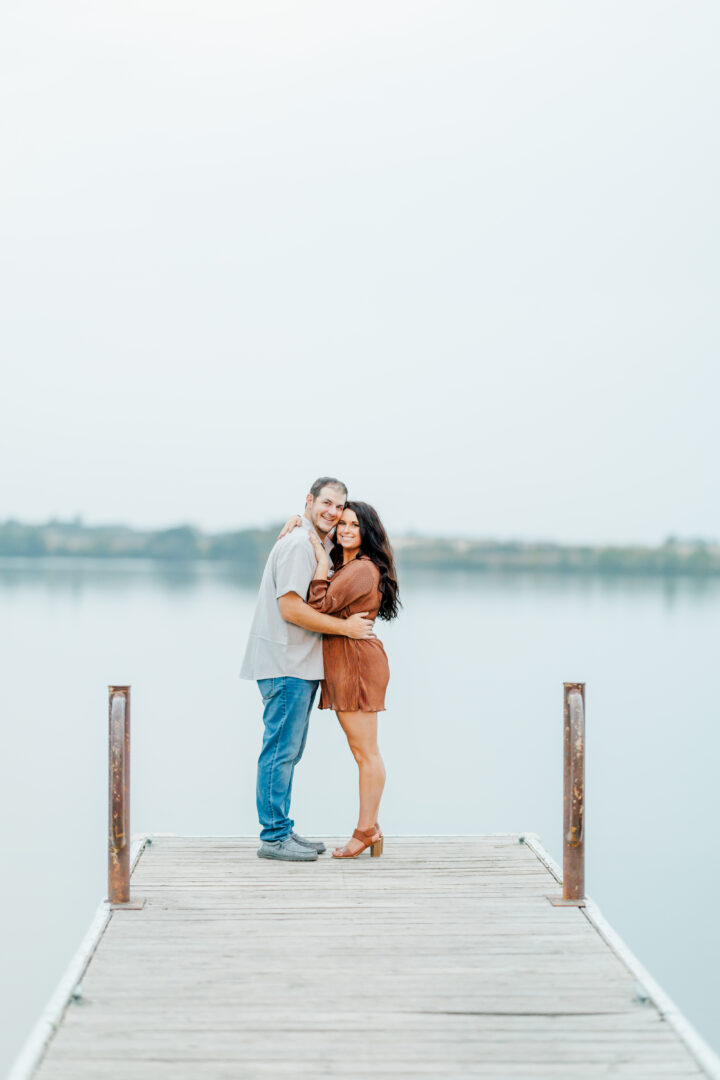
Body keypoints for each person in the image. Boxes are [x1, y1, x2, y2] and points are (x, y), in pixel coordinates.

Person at [240, 478, 375, 862]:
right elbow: (292, 609)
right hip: (285, 665)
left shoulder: (315, 541)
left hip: (298, 666)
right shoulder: (299, 544)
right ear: (310, 501)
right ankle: (274, 837)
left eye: (339, 506)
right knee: (279, 752)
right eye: (327, 504)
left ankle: (281, 828)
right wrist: (345, 628)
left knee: (288, 751)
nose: (333, 513)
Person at [306, 501, 400, 859]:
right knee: (363, 752)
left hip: (357, 665)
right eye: (342, 524)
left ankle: (366, 831)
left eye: (354, 525)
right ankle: (369, 829)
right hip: (350, 661)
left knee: (366, 753)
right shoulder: (351, 565)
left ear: (367, 532)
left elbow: (317, 606)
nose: (345, 530)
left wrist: (318, 562)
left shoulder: (361, 569)